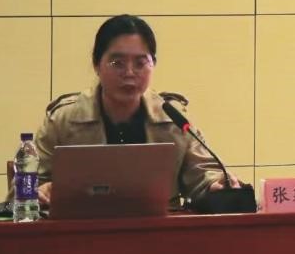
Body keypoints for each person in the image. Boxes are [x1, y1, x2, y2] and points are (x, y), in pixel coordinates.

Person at [34, 14, 239, 208]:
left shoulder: (172, 118)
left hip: (158, 229)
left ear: (153, 64)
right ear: (97, 65)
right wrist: (40, 191)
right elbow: (28, 184)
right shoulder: (63, 120)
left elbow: (202, 174)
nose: (129, 73)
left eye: (140, 63)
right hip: (83, 229)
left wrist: (216, 184)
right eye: (117, 63)